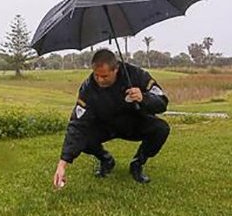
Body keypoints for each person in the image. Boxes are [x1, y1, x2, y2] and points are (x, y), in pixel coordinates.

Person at [53, 49, 170, 188]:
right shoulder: (88, 88)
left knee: (161, 129)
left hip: (134, 123)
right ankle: (105, 159)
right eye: (96, 75)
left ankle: (137, 163)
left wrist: (144, 98)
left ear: (116, 69)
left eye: (104, 76)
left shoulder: (137, 75)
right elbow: (77, 125)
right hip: (106, 126)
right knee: (83, 138)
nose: (100, 80)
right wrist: (62, 163)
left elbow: (162, 103)